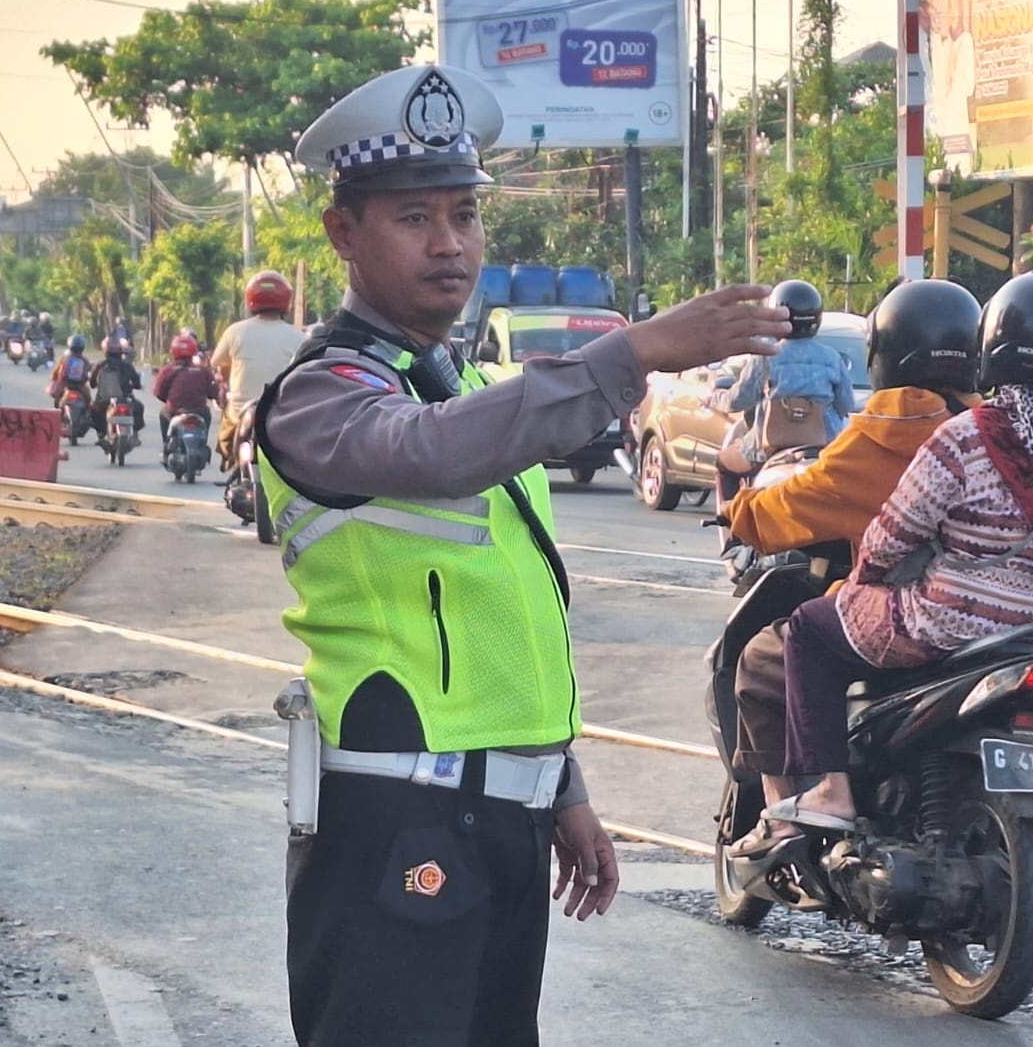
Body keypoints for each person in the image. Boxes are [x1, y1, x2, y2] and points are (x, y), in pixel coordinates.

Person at [261, 63, 793, 1047]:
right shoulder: (320, 395)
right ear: (344, 234)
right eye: (413, 217)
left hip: (500, 825)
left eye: (464, 214)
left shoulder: (468, 380)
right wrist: (632, 351)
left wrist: (560, 786)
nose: (449, 243)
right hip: (390, 823)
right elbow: (432, 451)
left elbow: (507, 614)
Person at [741, 273, 1033, 846]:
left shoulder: (968, 435)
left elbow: (895, 532)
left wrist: (864, 583)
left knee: (811, 629)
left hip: (953, 625)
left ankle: (830, 792)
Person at [722, 279, 985, 830]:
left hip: (907, 619)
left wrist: (736, 512)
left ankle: (795, 813)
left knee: (766, 658)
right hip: (1001, 623)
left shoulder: (879, 438)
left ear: (885, 353)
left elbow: (783, 509)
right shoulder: (994, 429)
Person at [710, 280, 856, 501]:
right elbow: (846, 405)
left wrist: (715, 399)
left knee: (723, 464)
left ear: (776, 316)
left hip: (769, 446)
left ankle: (733, 526)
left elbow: (739, 400)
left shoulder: (765, 355)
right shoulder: (833, 359)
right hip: (824, 446)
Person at [212, 270, 306, 468]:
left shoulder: (235, 331)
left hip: (240, 411)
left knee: (225, 427)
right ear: (286, 301)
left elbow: (217, 363)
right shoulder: (298, 337)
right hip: (281, 413)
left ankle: (230, 459)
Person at [153, 330, 222, 450]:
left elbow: (158, 392)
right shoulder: (203, 371)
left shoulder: (168, 370)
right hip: (199, 410)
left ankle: (167, 444)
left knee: (163, 414)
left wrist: (169, 400)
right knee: (207, 415)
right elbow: (213, 392)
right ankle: (202, 443)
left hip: (174, 410)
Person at [89, 334, 147, 446]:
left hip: (104, 400)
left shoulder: (100, 365)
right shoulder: (127, 365)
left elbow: (92, 383)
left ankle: (101, 435)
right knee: (139, 408)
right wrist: (137, 386)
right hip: (125, 399)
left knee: (93, 410)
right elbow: (136, 381)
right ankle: (135, 434)